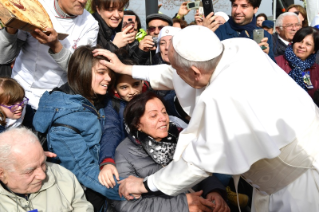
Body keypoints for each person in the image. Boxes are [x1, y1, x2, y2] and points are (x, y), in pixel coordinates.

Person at [94, 25, 319, 212]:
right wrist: (126, 68)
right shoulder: (238, 47)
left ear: (195, 72)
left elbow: (198, 162)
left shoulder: (221, 97)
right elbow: (176, 73)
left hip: (295, 188)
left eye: (178, 70)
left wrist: (145, 185)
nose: (174, 74)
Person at [33, 45, 123, 211]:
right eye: (102, 72)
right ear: (82, 71)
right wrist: (130, 190)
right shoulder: (65, 120)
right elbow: (84, 171)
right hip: (89, 195)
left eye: (110, 73)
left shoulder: (95, 99)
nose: (109, 78)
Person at [113, 91, 229, 212]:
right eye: (153, 116)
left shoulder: (180, 136)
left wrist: (213, 190)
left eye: (164, 112)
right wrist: (184, 204)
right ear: (137, 124)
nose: (163, 118)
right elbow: (128, 206)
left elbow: (198, 166)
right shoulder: (124, 153)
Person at [0, 0, 99, 109]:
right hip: (20, 91)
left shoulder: (90, 24)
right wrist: (11, 27)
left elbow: (80, 71)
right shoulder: (35, 7)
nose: (82, 1)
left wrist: (55, 46)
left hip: (56, 99)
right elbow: (4, 58)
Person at [0, 127, 93, 211]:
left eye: (43, 163)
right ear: (2, 174)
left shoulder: (62, 176)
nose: (43, 175)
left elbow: (83, 207)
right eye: (30, 171)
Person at [98, 57, 150, 188]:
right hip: (128, 156)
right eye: (124, 87)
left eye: (136, 84)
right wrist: (107, 160)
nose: (132, 91)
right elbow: (111, 131)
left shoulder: (150, 97)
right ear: (115, 89)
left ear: (142, 82)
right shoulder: (112, 106)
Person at [275, 27, 319, 98]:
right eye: (299, 41)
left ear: (314, 50)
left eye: (308, 44)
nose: (302, 46)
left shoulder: (316, 70)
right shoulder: (276, 63)